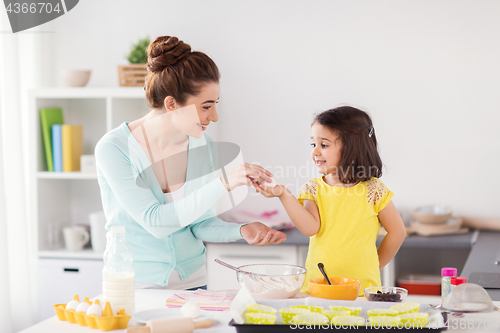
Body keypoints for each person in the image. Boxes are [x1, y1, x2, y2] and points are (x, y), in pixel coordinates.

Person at [95, 36, 286, 291]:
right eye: (206, 107)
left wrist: (241, 231)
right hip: (136, 287)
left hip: (195, 285)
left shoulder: (201, 145)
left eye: (215, 105)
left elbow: (198, 222)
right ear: (172, 104)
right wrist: (224, 183)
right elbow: (156, 222)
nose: (214, 117)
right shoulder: (114, 149)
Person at [254, 106, 406, 294]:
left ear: (351, 147)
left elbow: (397, 232)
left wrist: (374, 265)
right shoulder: (314, 189)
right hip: (318, 288)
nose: (315, 152)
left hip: (360, 291)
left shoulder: (373, 190)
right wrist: (283, 194)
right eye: (313, 144)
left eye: (324, 145)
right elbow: (311, 228)